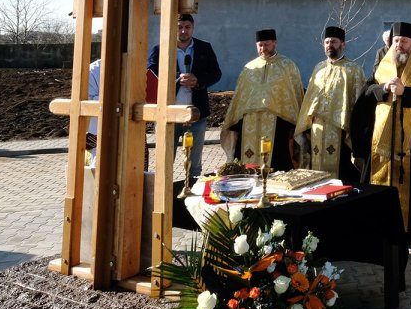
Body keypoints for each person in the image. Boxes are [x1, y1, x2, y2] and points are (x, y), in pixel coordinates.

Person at [350, 21, 411, 239]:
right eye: (396, 41)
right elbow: (366, 93)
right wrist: (383, 88)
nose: (399, 45)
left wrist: (407, 93)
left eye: (404, 41)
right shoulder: (383, 67)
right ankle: (378, 223)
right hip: (381, 143)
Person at [147, 13, 221, 182]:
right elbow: (149, 76)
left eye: (187, 27)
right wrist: (175, 78)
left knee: (194, 163)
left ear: (192, 28)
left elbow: (216, 73)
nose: (183, 30)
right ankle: (164, 195)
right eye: (180, 27)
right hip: (168, 115)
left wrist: (198, 81)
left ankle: (191, 194)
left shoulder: (205, 47)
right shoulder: (160, 49)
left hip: (196, 115)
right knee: (164, 160)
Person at [221, 29, 304, 170]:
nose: (263, 48)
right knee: (246, 164)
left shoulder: (288, 66)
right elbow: (240, 97)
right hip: (249, 123)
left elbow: (294, 95)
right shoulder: (249, 68)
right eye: (260, 45)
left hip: (278, 123)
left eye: (266, 44)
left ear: (275, 43)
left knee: (278, 164)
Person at [294, 26, 366, 182]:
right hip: (317, 129)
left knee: (342, 172)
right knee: (316, 168)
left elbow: (358, 102)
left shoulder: (353, 69)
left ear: (343, 44)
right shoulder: (318, 68)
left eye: (333, 42)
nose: (329, 45)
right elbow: (309, 99)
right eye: (327, 42)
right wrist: (306, 124)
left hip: (340, 129)